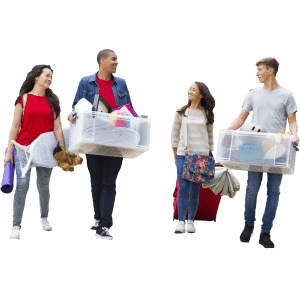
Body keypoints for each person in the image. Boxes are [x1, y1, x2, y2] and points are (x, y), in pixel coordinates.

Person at [227, 57, 299, 249]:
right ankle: (248, 225)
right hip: (255, 147)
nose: (257, 73)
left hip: (278, 148)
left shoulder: (287, 95)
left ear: (271, 71)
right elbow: (242, 117)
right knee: (251, 191)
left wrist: (294, 135)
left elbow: (292, 120)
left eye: (260, 70)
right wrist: (229, 132)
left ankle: (265, 232)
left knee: (273, 193)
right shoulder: (253, 94)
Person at [67, 49, 137, 240]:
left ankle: (105, 225)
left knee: (109, 182)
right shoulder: (85, 82)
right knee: (96, 182)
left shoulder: (121, 83)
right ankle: (98, 218)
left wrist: (136, 121)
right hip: (94, 139)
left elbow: (129, 107)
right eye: (114, 59)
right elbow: (76, 104)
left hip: (116, 138)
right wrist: (73, 113)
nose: (117, 62)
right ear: (102, 61)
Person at [3, 64, 66, 240]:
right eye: (47, 75)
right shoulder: (23, 99)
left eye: (51, 77)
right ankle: (16, 226)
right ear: (36, 77)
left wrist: (63, 151)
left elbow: (58, 128)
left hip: (45, 149)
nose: (49, 79)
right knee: (22, 185)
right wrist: (9, 153)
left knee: (44, 185)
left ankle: (44, 218)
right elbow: (14, 127)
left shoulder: (53, 101)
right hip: (23, 147)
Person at [171, 81, 215, 234]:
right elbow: (174, 135)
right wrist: (176, 155)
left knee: (195, 190)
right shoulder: (181, 112)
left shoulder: (207, 113)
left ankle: (191, 222)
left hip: (201, 157)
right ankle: (181, 223)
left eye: (193, 89)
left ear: (201, 94)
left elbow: (210, 136)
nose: (189, 91)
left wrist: (211, 156)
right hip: (184, 154)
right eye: (189, 88)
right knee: (183, 188)